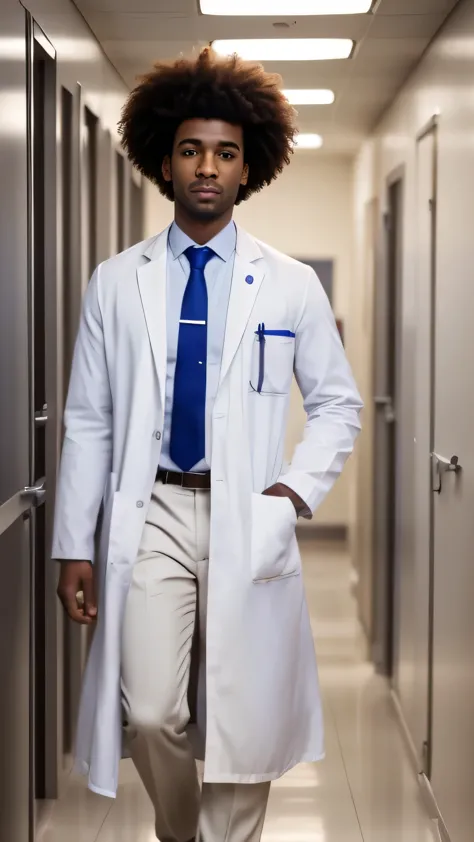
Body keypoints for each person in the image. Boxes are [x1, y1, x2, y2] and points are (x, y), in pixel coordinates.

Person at [53, 48, 363, 842]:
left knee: (243, 718)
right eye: (192, 149)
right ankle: (180, 831)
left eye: (226, 153)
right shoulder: (116, 281)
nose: (208, 167)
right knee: (152, 710)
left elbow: (337, 405)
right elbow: (88, 417)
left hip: (246, 510)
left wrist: (291, 492)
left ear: (246, 167)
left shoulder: (289, 283)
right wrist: (73, 547)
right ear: (166, 159)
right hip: (151, 509)